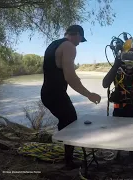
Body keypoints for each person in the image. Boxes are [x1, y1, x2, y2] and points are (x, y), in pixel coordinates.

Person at [40, 25, 101, 170]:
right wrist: (89, 94)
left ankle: (66, 154)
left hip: (47, 93)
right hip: (56, 94)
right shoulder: (69, 46)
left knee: (65, 120)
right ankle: (68, 163)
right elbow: (70, 77)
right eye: (81, 39)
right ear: (77, 35)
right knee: (71, 122)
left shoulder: (53, 45)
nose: (80, 43)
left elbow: (58, 71)